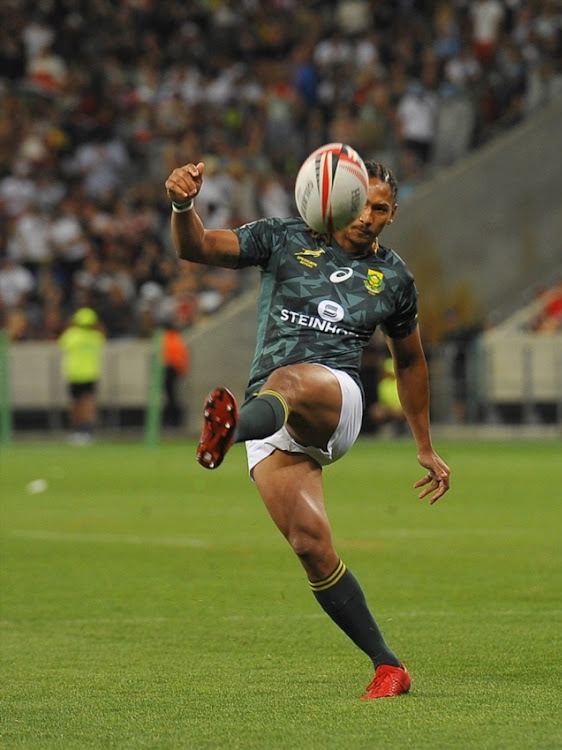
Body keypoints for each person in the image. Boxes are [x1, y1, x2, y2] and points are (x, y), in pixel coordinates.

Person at [165, 158, 451, 699]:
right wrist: (183, 205)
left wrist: (425, 446)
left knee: (289, 380)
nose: (368, 216)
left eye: (381, 208)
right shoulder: (284, 237)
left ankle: (230, 432)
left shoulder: (393, 278)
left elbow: (410, 361)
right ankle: (389, 667)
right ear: (338, 199)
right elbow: (196, 247)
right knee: (310, 545)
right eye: (361, 202)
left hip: (334, 401)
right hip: (271, 413)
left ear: (392, 215)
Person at [58, 306, 106, 444]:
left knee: (75, 404)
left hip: (74, 374)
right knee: (89, 403)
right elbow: (102, 339)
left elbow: (62, 344)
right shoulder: (96, 337)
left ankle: (76, 431)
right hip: (90, 373)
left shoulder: (71, 335)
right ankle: (87, 431)